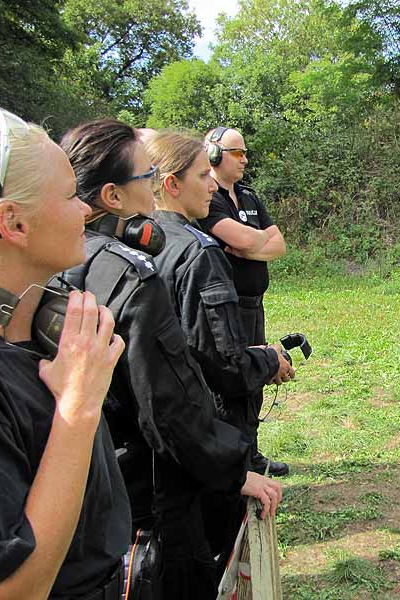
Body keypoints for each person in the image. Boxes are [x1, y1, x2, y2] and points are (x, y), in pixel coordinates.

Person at [58, 119, 282, 599]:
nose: (213, 184)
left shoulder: (65, 261)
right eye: (146, 175)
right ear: (115, 196)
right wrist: (233, 466)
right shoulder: (138, 270)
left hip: (97, 480)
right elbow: (174, 396)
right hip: (157, 485)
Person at [0, 109, 130, 599]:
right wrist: (78, 406)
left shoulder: (32, 334)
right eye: (70, 196)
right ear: (14, 222)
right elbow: (5, 594)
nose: (86, 211)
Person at [143, 130, 292, 559]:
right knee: (220, 543)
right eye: (200, 174)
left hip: (168, 444)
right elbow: (225, 365)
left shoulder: (140, 242)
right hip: (203, 431)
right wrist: (267, 358)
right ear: (171, 183)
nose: (210, 183)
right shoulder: (198, 253)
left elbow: (271, 242)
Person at [198, 126, 289, 476]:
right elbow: (245, 239)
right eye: (237, 153)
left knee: (258, 375)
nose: (244, 159)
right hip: (227, 308)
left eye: (244, 152)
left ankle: (251, 453)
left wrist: (249, 245)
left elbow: (277, 244)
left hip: (254, 303)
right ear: (215, 156)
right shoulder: (209, 199)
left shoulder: (249, 197)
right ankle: (234, 459)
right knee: (232, 381)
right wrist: (254, 242)